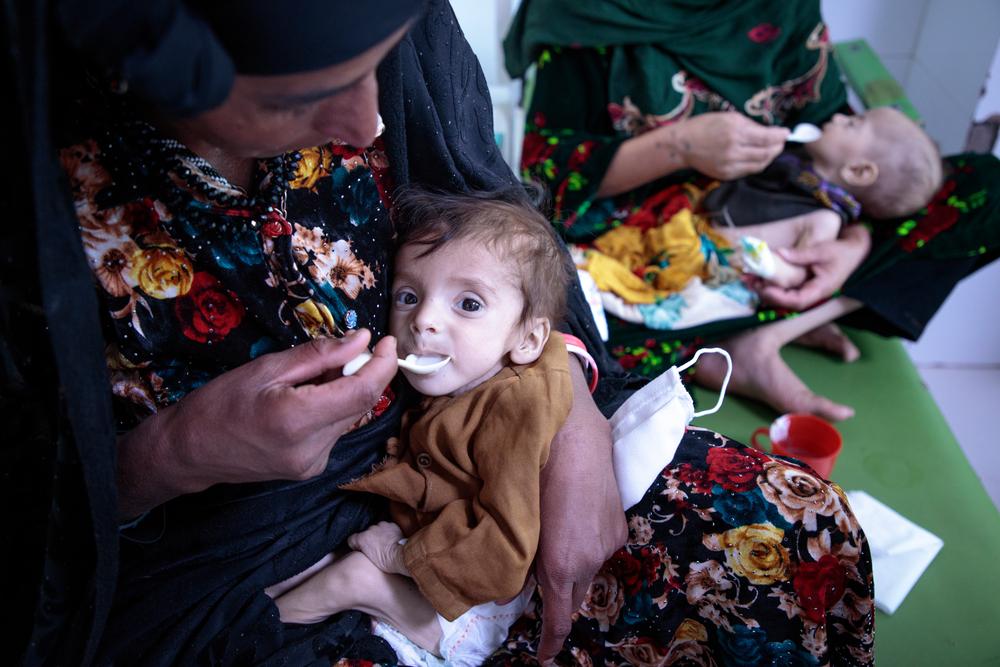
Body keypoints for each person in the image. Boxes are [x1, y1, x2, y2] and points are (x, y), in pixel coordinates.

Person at [8, 0, 877, 664]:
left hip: (490, 417)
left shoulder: (391, 38)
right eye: (298, 100)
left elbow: (505, 235)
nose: (365, 122)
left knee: (794, 534)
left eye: (377, 68)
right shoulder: (49, 184)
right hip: (234, 561)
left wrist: (567, 412)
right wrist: (173, 456)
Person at [504, 0, 1000, 423]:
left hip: (768, 256)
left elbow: (837, 144)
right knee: (536, 319)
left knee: (985, 189)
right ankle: (716, 339)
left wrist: (851, 245)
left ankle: (765, 336)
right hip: (638, 250)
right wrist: (679, 146)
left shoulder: (781, 8)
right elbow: (545, 181)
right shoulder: (581, 13)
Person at [268, 187, 575, 667]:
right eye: (408, 296)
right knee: (298, 569)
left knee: (348, 579)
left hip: (479, 603)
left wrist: (399, 556)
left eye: (469, 304)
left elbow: (505, 551)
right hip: (429, 561)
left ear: (528, 337)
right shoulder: (468, 376)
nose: (424, 320)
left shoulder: (517, 406)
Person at [706, 107, 943, 289]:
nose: (839, 116)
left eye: (852, 124)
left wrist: (769, 265)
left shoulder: (825, 220)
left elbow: (798, 274)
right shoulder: (794, 160)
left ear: (858, 171)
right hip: (698, 215)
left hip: (713, 256)